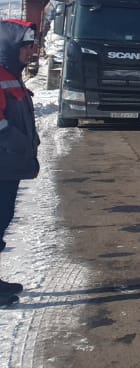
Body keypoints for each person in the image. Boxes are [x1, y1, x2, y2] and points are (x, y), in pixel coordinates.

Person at [0, 19, 41, 305]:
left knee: (2, 220)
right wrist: (17, 142)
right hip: (3, 160)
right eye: (25, 46)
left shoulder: (12, 75)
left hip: (8, 164)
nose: (31, 51)